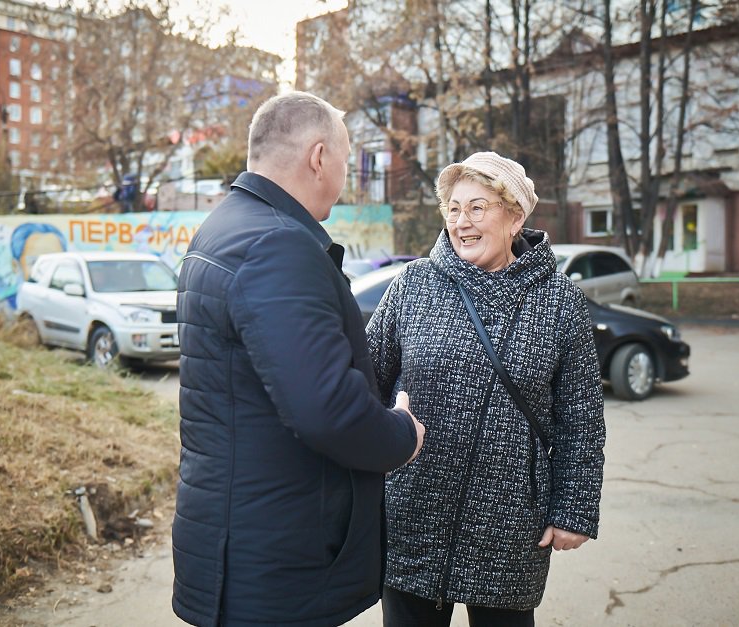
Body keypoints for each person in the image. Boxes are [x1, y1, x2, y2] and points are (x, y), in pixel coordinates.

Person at [171, 91, 425, 627]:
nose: (347, 174)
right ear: (318, 157)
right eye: (345, 155)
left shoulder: (224, 227)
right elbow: (326, 408)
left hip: (237, 541)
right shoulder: (277, 245)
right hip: (275, 556)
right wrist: (402, 434)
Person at [366, 152, 606, 626]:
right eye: (454, 209)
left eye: (478, 207)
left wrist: (574, 508)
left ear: (515, 217)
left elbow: (582, 418)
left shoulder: (560, 303)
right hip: (414, 513)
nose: (462, 222)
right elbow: (365, 383)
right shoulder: (413, 285)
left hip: (511, 525)